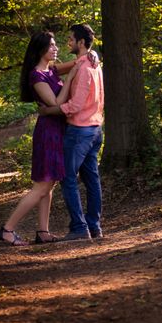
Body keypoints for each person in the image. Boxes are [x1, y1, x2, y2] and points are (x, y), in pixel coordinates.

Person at [0, 31, 91, 246]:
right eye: (51, 46)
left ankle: (43, 231)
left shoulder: (52, 70)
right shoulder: (37, 75)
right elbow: (55, 104)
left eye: (56, 44)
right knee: (41, 186)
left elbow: (80, 59)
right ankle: (7, 229)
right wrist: (71, 77)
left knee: (50, 185)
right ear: (40, 50)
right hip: (48, 133)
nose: (56, 48)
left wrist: (92, 55)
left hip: (59, 130)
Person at [39, 24, 105, 242]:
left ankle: (79, 227)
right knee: (91, 179)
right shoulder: (91, 63)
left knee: (68, 177)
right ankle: (93, 227)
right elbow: (54, 70)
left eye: (70, 39)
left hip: (80, 130)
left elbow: (75, 105)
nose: (67, 42)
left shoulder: (86, 67)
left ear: (81, 43)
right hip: (94, 129)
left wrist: (50, 110)